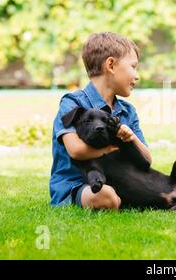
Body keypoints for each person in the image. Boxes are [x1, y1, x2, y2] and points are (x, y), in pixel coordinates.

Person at [49, 32, 151, 210]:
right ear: (111, 65)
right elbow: (76, 150)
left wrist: (132, 138)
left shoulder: (127, 111)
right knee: (106, 197)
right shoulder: (72, 103)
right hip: (76, 185)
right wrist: (117, 146)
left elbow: (147, 159)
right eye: (133, 67)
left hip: (117, 180)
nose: (137, 75)